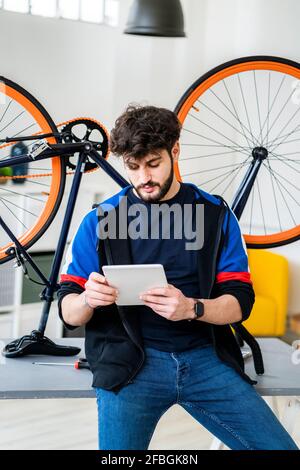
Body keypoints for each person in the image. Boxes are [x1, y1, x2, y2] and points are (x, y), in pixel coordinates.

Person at [57, 105, 298, 451]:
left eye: (153, 164)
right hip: (130, 368)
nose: (144, 178)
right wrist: (86, 300)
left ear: (175, 151)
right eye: (133, 167)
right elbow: (69, 311)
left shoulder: (215, 214)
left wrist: (192, 308)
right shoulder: (99, 220)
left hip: (205, 361)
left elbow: (240, 303)